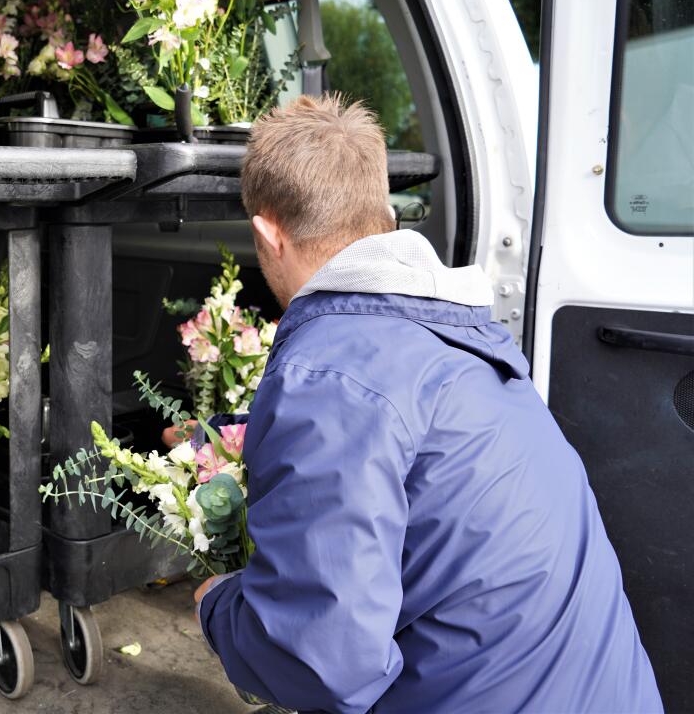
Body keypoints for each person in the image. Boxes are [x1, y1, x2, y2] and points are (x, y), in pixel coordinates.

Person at [193, 94, 662, 713]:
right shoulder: (465, 340)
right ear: (381, 211)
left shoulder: (326, 372)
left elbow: (322, 662)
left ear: (267, 232)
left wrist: (219, 606)